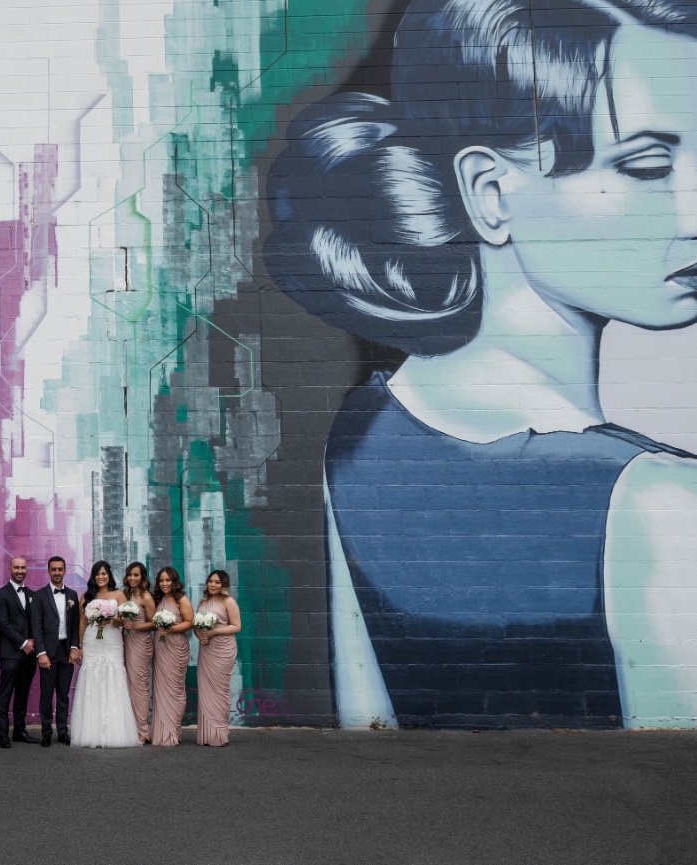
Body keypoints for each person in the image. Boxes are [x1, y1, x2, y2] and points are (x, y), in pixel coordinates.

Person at [263, 0, 697, 729]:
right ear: (489, 193)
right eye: (648, 165)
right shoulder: (659, 501)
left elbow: (368, 736)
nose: (692, 211)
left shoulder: (364, 430)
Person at [68, 560, 139, 748]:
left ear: (109, 575)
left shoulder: (119, 595)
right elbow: (82, 622)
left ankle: (113, 732)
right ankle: (91, 731)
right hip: (92, 641)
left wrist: (109, 620)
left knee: (113, 678)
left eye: (104, 573)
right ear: (93, 576)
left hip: (112, 641)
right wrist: (80, 646)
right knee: (92, 679)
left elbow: (125, 620)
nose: (101, 577)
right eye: (97, 574)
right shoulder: (87, 596)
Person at [30, 555, 80, 746]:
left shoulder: (72, 595)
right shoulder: (39, 596)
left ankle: (62, 732)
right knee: (46, 695)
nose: (57, 572)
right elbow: (36, 627)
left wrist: (74, 647)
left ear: (65, 571)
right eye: (54, 569)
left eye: (60, 569)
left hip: (66, 651)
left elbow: (75, 625)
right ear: (49, 571)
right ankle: (46, 732)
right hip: (48, 653)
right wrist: (41, 653)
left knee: (63, 695)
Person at [0, 556, 40, 748]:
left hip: (29, 655)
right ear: (9, 570)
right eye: (16, 567)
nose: (20, 571)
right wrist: (23, 643)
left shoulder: (32, 594)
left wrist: (34, 642)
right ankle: (3, 735)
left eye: (23, 568)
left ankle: (19, 731)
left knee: (23, 694)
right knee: (5, 695)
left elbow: (35, 622)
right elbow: (3, 624)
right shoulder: (1, 594)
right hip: (10, 654)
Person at [195, 570, 241, 746]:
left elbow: (236, 626)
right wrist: (200, 635)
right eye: (210, 581)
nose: (212, 585)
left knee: (220, 689)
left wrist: (214, 632)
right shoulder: (203, 602)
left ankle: (219, 734)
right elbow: (196, 625)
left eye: (217, 582)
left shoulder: (229, 602)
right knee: (206, 689)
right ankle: (207, 735)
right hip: (206, 649)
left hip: (223, 650)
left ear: (223, 585)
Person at [150, 566, 193, 746]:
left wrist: (171, 629)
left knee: (175, 688)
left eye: (168, 580)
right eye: (161, 580)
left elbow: (190, 622)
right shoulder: (158, 599)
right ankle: (161, 732)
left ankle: (173, 731)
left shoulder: (181, 599)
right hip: (161, 646)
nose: (164, 583)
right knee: (161, 687)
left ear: (174, 581)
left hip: (176, 646)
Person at [119, 561, 157, 744]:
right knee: (129, 685)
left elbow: (154, 623)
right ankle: (132, 727)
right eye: (130, 575)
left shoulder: (145, 597)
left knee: (140, 686)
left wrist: (135, 626)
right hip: (126, 642)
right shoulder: (126, 594)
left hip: (141, 644)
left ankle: (143, 731)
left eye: (136, 575)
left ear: (142, 577)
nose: (132, 578)